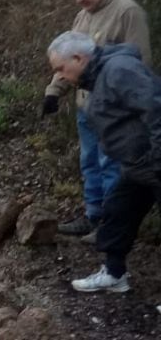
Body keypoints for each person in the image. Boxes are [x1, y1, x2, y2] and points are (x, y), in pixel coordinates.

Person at [46, 30, 161, 294]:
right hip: (137, 164)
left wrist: (157, 159)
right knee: (117, 212)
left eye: (61, 68)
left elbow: (157, 109)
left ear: (78, 58)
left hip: (153, 160)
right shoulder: (98, 76)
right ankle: (114, 273)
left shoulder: (120, 70)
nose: (60, 75)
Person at [42, 0, 150, 240]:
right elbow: (69, 58)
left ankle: (111, 224)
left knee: (111, 165)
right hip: (85, 107)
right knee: (89, 162)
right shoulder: (82, 17)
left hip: (114, 111)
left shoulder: (127, 12)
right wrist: (54, 91)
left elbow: (140, 62)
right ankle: (92, 215)